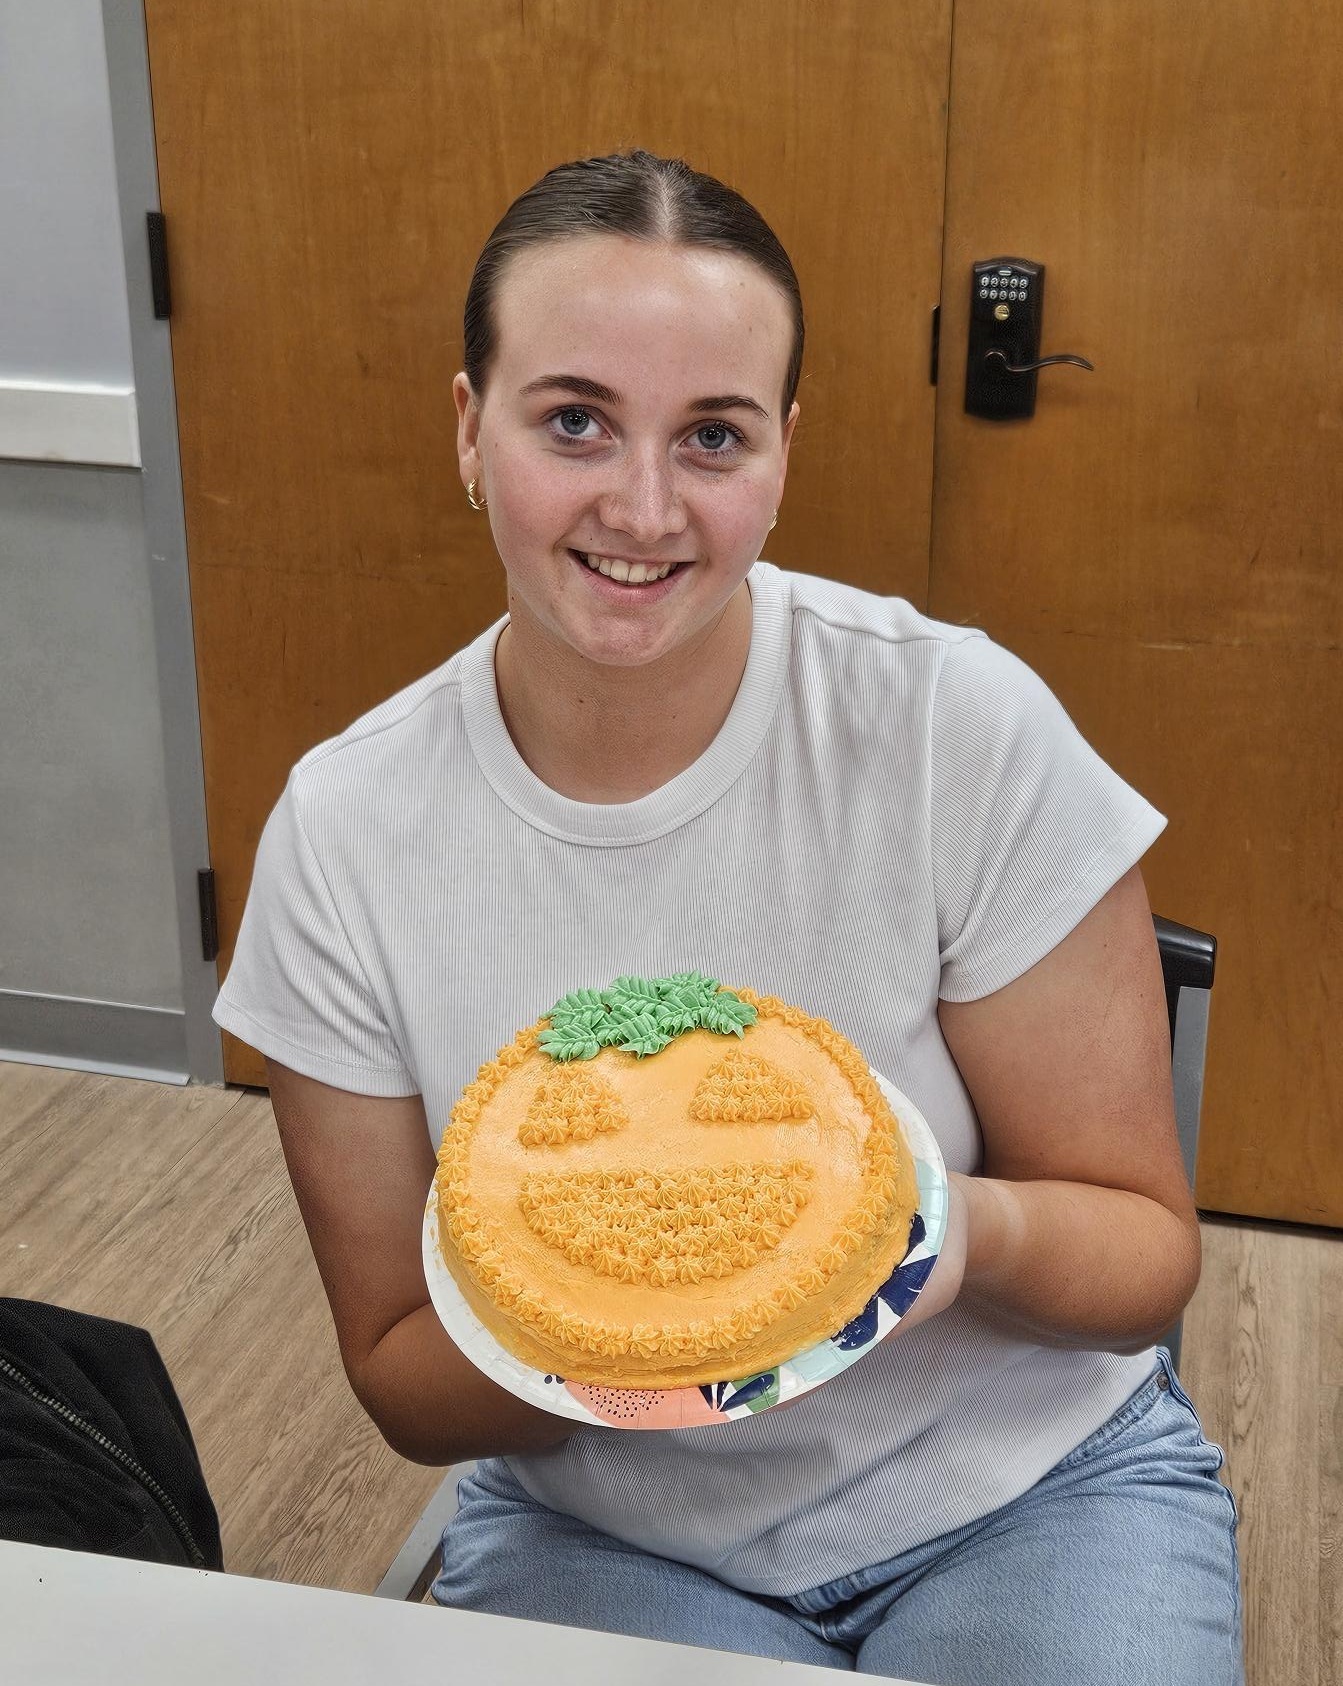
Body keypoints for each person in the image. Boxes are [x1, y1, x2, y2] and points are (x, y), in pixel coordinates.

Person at [213, 151, 1242, 1684]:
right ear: (468, 433)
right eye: (573, 419)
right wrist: (653, 1325)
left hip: (1026, 1491)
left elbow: (1147, 1258)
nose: (642, 506)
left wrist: (934, 1238)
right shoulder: (346, 836)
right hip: (608, 1534)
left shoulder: (953, 726)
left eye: (712, 434)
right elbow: (407, 1379)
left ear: (784, 452)